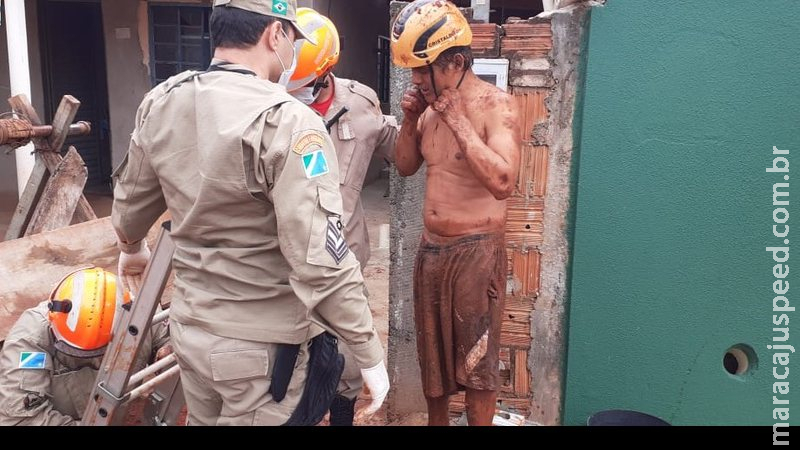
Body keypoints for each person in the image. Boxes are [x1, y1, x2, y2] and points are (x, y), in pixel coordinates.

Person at [112, 0, 388, 426]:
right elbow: (321, 261)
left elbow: (130, 203)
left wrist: (132, 248)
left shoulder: (163, 101)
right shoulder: (288, 122)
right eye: (292, 38)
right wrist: (368, 354)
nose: (292, 51)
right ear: (274, 34)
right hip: (261, 349)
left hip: (192, 330)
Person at [390, 0, 521, 426]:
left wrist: (460, 124)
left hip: (476, 255)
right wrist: (411, 119)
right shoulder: (427, 110)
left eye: (423, 69)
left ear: (458, 63)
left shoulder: (495, 106)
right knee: (434, 367)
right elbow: (406, 166)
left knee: (478, 367)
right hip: (431, 253)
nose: (416, 79)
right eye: (412, 70)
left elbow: (503, 182)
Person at [285, 8, 398, 426]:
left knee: (350, 353)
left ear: (325, 71)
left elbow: (398, 147)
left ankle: (344, 414)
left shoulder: (360, 103)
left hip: (345, 257)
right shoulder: (267, 110)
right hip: (285, 264)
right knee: (291, 361)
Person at [0, 267, 169, 426]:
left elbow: (173, 343)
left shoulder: (139, 314)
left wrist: (168, 351)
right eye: (77, 353)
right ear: (53, 321)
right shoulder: (29, 342)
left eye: (99, 352)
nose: (92, 360)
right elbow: (19, 418)